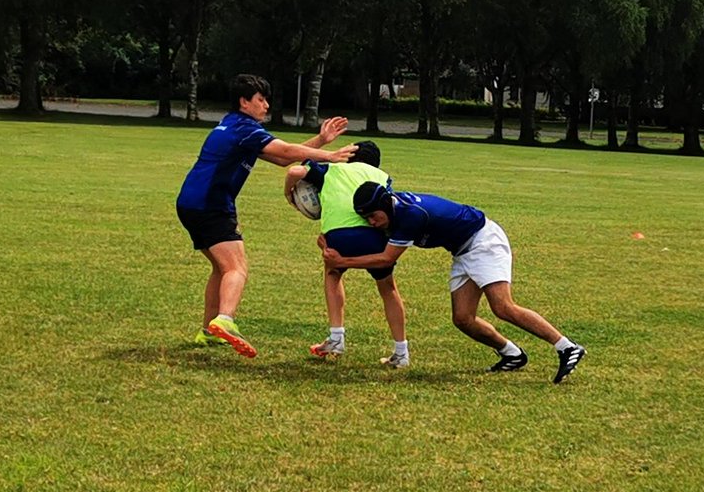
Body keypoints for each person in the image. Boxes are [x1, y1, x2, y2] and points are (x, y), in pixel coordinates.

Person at [321, 182, 587, 383]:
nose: (371, 222)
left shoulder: (411, 215)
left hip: (483, 241)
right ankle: (511, 353)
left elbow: (385, 259)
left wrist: (341, 261)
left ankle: (567, 347)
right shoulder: (392, 207)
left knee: (503, 307)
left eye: (373, 216)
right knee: (463, 318)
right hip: (463, 250)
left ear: (385, 204)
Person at [176, 74, 356, 358]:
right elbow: (285, 150)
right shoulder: (245, 129)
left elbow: (283, 158)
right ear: (244, 102)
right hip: (211, 205)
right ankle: (225, 320)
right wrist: (329, 156)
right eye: (261, 100)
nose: (266, 105)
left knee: (221, 268)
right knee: (237, 268)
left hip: (190, 202)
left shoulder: (231, 126)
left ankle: (208, 331)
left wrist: (320, 140)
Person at [283, 141, 410, 367]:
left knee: (333, 274)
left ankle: (336, 337)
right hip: (373, 234)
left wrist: (289, 195)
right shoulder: (382, 175)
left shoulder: (332, 167)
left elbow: (294, 171)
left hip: (338, 235)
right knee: (388, 287)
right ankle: (401, 351)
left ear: (348, 155)